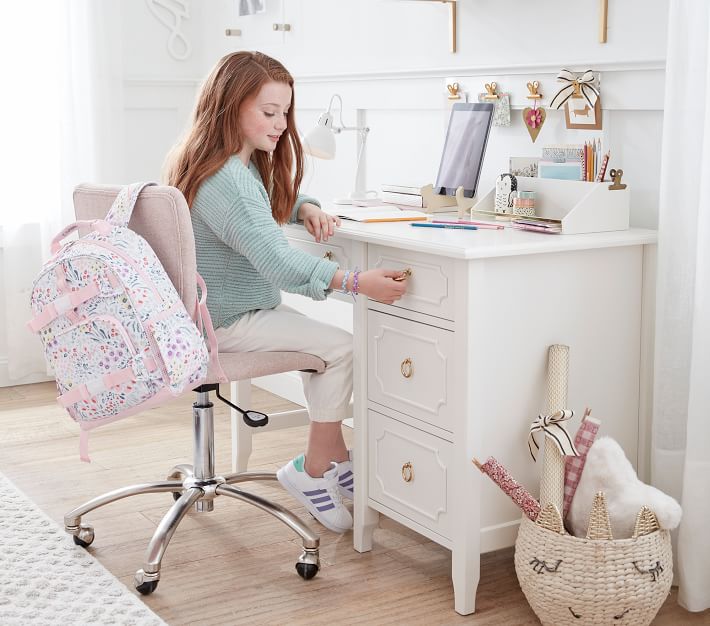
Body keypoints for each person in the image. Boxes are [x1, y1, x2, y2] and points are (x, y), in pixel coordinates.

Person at [164, 51, 408, 534]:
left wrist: (305, 206)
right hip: (230, 321)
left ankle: (332, 463)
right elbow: (277, 262)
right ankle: (314, 470)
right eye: (268, 112)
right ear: (231, 106)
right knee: (340, 347)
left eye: (285, 113)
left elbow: (260, 200)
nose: (280, 125)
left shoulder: (207, 159)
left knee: (328, 345)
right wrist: (356, 283)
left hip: (203, 315)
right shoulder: (229, 180)